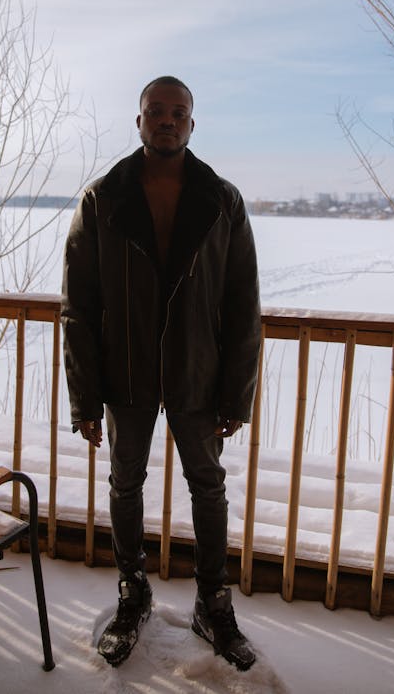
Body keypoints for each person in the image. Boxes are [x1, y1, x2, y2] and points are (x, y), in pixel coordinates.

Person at [61, 76, 261, 670]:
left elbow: (243, 304)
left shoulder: (222, 200)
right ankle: (133, 592)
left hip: (199, 372)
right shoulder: (104, 199)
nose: (167, 120)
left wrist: (237, 392)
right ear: (140, 120)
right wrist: (83, 399)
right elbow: (78, 304)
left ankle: (212, 603)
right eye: (156, 111)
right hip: (125, 372)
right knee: (125, 483)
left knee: (209, 485)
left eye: (178, 113)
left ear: (192, 124)